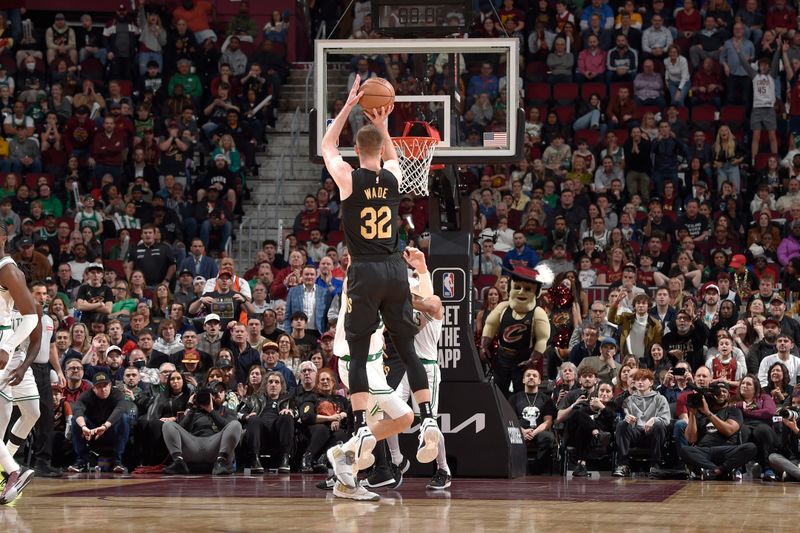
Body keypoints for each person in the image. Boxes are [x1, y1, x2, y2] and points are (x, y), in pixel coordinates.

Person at [320, 75, 441, 490]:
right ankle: (427, 419)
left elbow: (326, 146)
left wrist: (349, 105)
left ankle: (358, 428)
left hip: (366, 271)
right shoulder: (392, 179)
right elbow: (392, 155)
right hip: (395, 271)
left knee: (356, 351)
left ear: (356, 151)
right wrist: (384, 124)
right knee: (406, 347)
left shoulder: (349, 179)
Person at [0, 221, 42, 505]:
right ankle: (11, 470)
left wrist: (7, 346)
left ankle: (13, 471)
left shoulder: (7, 268)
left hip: (4, 351)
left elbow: (32, 318)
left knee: (31, 412)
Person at [162, 380, 243, 475]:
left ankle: (221, 463)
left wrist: (211, 411)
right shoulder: (193, 411)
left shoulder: (228, 411)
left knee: (236, 425)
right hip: (193, 446)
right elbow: (181, 430)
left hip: (215, 447)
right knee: (168, 425)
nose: (217, 394)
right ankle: (178, 462)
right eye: (214, 392)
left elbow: (231, 432)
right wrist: (191, 409)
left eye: (221, 391)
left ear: (225, 394)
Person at [679, 382, 757, 480]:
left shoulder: (733, 411)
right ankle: (720, 471)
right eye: (718, 391)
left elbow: (729, 430)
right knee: (685, 450)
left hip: (727, 450)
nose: (721, 394)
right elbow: (690, 439)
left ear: (728, 395)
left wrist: (708, 413)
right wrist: (692, 413)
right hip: (705, 451)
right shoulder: (700, 413)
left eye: (724, 391)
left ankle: (713, 471)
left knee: (751, 447)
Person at [29, 281, 64, 477]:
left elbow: (51, 348)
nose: (42, 297)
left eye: (44, 294)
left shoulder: (49, 320)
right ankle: (14, 459)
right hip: (25, 369)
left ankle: (43, 461)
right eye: (38, 293)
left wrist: (58, 370)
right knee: (21, 414)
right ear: (30, 294)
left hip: (43, 369)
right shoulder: (23, 316)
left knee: (47, 415)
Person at [613, 368, 671, 477]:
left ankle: (655, 464)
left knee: (658, 424)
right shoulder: (628, 400)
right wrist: (627, 418)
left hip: (653, 433)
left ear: (651, 382)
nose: (640, 382)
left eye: (644, 379)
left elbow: (666, 420)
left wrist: (654, 419)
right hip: (636, 433)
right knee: (621, 424)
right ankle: (623, 465)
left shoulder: (660, 399)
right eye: (637, 380)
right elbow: (626, 418)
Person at [68, 372, 130, 474]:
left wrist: (105, 426)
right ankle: (82, 461)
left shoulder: (117, 394)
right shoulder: (86, 395)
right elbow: (77, 410)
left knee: (124, 418)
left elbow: (120, 408)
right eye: (99, 387)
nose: (103, 389)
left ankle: (117, 461)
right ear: (93, 388)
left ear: (110, 385)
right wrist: (83, 427)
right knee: (75, 421)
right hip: (91, 431)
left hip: (110, 429)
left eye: (105, 386)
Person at [508, 367, 557, 475]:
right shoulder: (514, 398)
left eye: (534, 376)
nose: (531, 377)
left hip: (539, 431)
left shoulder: (546, 399)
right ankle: (521, 469)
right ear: (523, 380)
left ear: (539, 381)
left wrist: (533, 433)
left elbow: (548, 422)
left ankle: (535, 470)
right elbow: (510, 419)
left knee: (548, 438)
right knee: (510, 436)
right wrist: (523, 432)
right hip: (519, 431)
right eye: (528, 375)